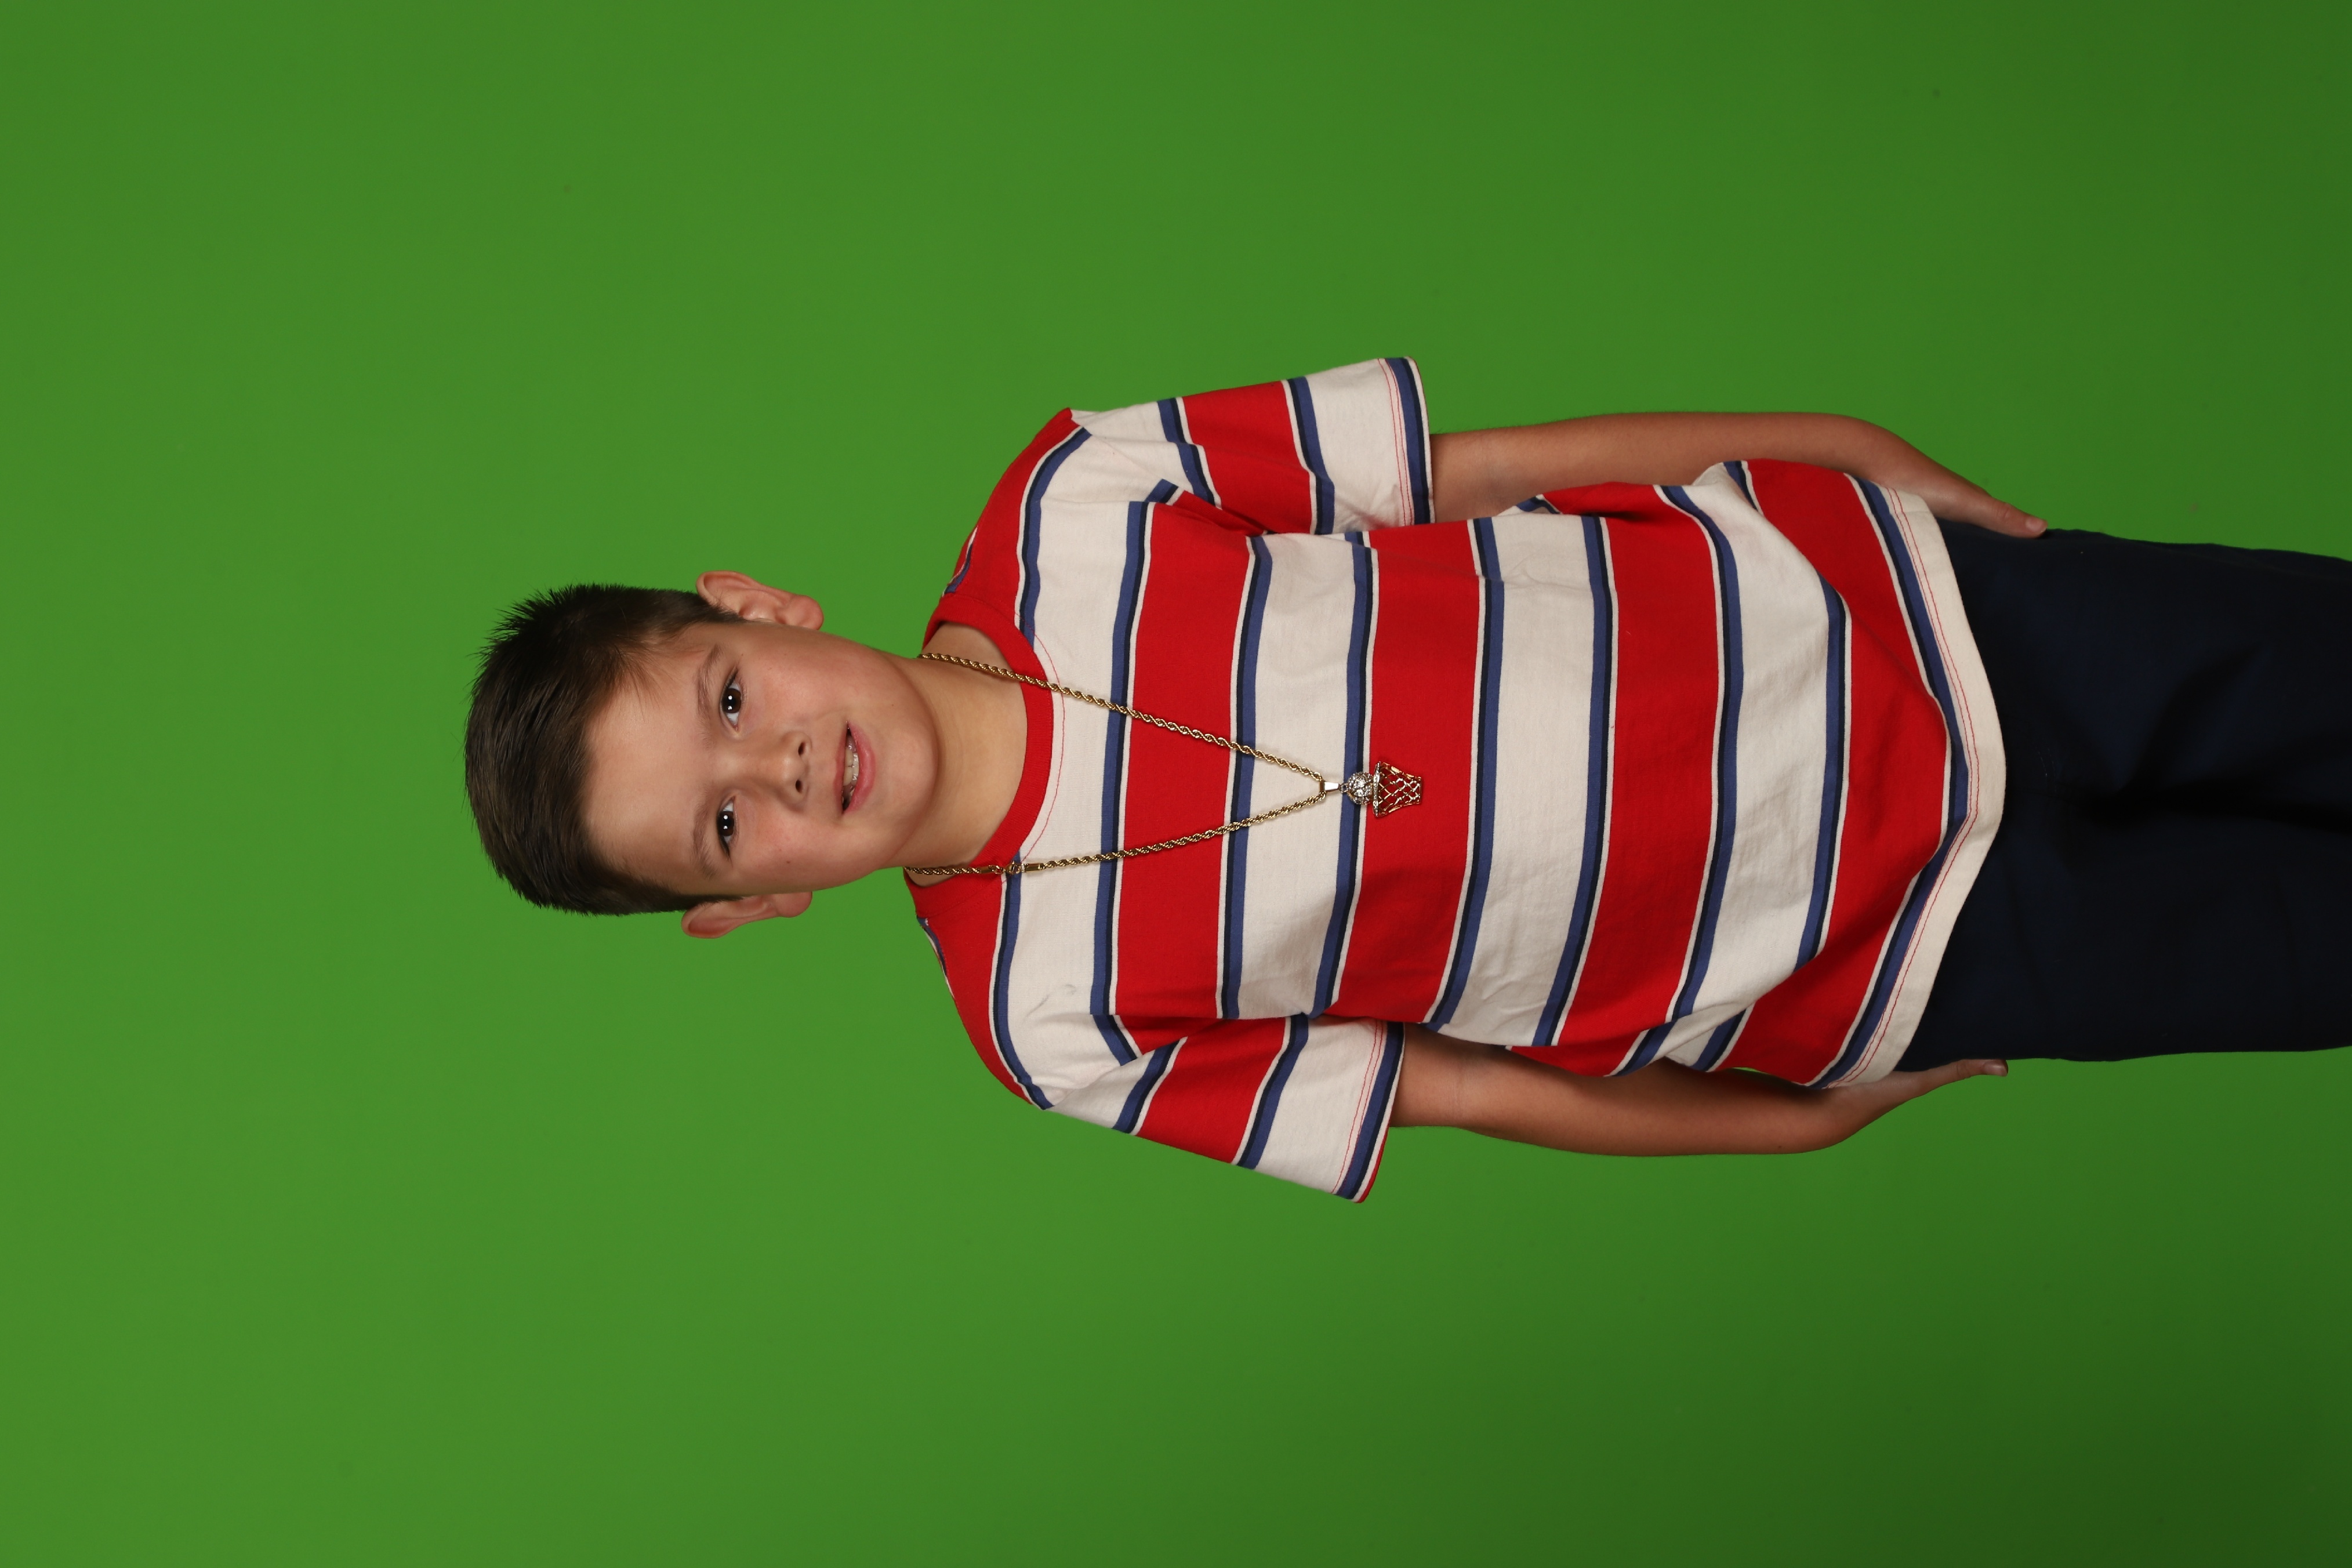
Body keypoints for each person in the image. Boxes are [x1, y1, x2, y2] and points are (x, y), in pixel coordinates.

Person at [464, 359, 2352, 1199]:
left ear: (756, 606)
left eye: (728, 695)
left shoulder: (1077, 496)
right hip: (1865, 956)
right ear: (753, 901)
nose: (783, 761)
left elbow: (1484, 472)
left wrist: (1825, 437)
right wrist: (1778, 1127)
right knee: (2303, 946)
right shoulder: (1047, 1021)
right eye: (727, 820)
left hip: (1876, 613)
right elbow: (1449, 1089)